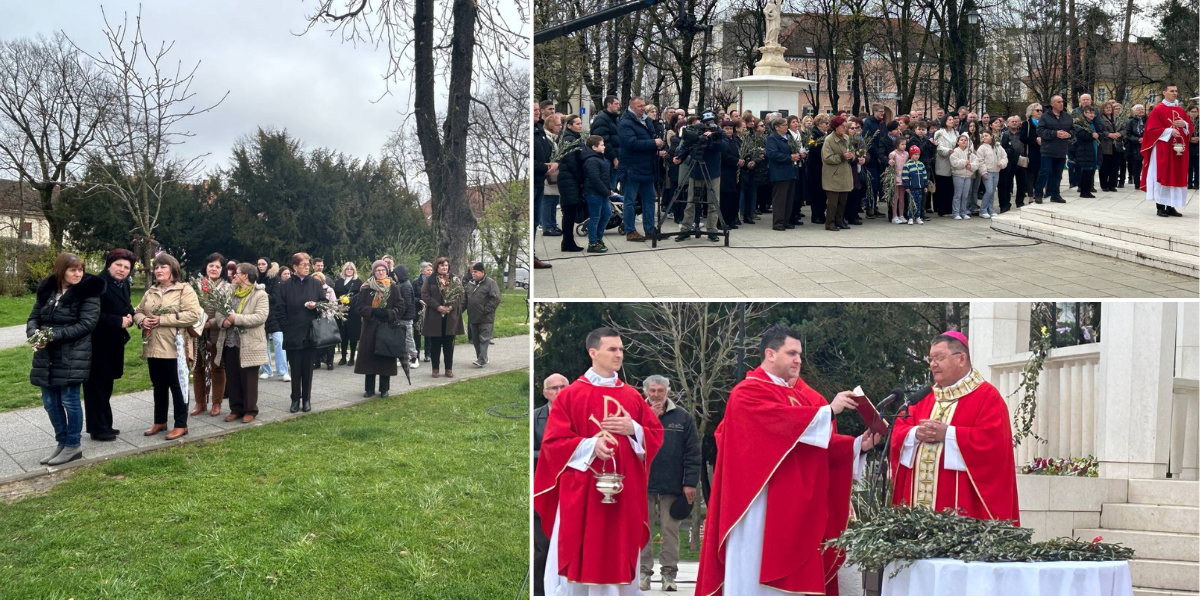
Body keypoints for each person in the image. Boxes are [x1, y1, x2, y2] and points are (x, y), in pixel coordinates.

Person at [695, 325, 879, 596]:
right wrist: (828, 410)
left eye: (800, 354)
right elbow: (779, 424)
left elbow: (815, 448)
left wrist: (857, 445)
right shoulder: (747, 393)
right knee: (753, 574)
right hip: (759, 505)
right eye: (791, 353)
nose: (798, 360)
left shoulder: (804, 397)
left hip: (795, 507)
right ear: (770, 354)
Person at [533, 327, 664, 595]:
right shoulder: (570, 395)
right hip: (581, 495)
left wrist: (634, 429)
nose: (619, 355)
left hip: (623, 494)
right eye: (612, 349)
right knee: (582, 553)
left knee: (619, 549)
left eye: (621, 349)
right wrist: (591, 445)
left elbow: (655, 436)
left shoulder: (631, 397)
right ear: (593, 352)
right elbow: (552, 444)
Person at [890, 331, 1021, 522]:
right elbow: (898, 430)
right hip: (916, 508)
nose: (933, 364)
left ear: (961, 359)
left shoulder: (987, 397)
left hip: (963, 510)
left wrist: (948, 434)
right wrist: (915, 433)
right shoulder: (923, 397)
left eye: (939, 358)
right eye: (931, 359)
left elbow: (994, 445)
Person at [28, 253, 104, 466]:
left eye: (80, 269)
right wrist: (34, 334)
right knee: (50, 403)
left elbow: (86, 325)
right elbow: (34, 317)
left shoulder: (88, 293)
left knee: (69, 401)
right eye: (73, 270)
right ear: (61, 271)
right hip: (46, 355)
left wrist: (50, 335)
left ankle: (73, 445)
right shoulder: (48, 291)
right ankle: (62, 443)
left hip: (73, 355)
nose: (78, 274)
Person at [639, 375, 701, 593]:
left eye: (661, 390)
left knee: (670, 532)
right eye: (653, 390)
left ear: (668, 391)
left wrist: (689, 483)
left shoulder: (682, 417)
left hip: (673, 485)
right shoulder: (636, 413)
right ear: (646, 391)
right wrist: (649, 418)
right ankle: (643, 574)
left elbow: (692, 453)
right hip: (642, 483)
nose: (656, 394)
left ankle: (669, 575)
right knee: (642, 531)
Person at [135, 253, 202, 441]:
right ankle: (160, 421)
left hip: (175, 347)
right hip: (152, 346)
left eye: (163, 267)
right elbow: (138, 311)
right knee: (158, 385)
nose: (158, 270)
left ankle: (181, 424)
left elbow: (193, 315)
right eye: (156, 267)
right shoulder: (151, 291)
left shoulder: (184, 290)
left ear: (173, 269)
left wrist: (162, 320)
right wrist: (142, 321)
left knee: (177, 386)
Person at [84, 249, 135, 442]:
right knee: (95, 387)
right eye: (118, 265)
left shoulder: (122, 285)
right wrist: (118, 321)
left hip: (113, 343)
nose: (122, 270)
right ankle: (97, 429)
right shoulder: (97, 284)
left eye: (126, 267)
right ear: (109, 264)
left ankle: (106, 424)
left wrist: (130, 315)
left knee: (106, 386)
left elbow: (125, 306)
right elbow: (91, 315)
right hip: (97, 343)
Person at [217, 263, 270, 423]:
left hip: (250, 343)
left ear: (245, 275)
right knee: (232, 377)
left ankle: (250, 409)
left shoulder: (260, 294)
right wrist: (223, 322)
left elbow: (260, 317)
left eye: (237, 273)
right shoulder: (230, 292)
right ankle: (236, 409)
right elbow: (220, 312)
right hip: (230, 342)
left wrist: (236, 319)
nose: (233, 275)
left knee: (248, 378)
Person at [533, 373, 569, 596]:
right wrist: (552, 453)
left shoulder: (583, 417)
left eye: (563, 387)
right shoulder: (536, 417)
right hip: (545, 490)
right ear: (545, 393)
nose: (559, 392)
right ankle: (539, 592)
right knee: (543, 548)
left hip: (573, 491)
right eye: (553, 388)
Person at [276, 252, 325, 413]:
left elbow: (324, 304)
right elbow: (280, 309)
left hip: (310, 332)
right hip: (293, 333)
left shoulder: (315, 284)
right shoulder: (285, 285)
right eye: (303, 265)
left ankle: (307, 399)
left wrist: (316, 306)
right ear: (294, 267)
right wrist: (286, 327)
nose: (306, 268)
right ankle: (295, 399)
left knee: (307, 369)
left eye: (308, 264)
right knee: (295, 369)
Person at [1140, 84, 1193, 216]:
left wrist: (1185, 125)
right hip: (1163, 149)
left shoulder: (1180, 110)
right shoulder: (1157, 110)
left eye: (1176, 91)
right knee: (1163, 175)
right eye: (1171, 91)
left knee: (1175, 176)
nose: (1175, 93)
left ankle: (1171, 206)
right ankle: (1160, 206)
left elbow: (1189, 126)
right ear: (1164, 92)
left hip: (1178, 150)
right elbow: (1150, 130)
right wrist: (1168, 131)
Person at [675, 111, 728, 242]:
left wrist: (712, 138)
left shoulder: (719, 132)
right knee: (691, 201)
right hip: (697, 170)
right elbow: (686, 145)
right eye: (706, 123)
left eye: (711, 122)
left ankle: (712, 230)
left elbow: (724, 147)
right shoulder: (696, 130)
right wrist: (679, 157)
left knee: (713, 202)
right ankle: (686, 228)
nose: (709, 126)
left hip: (713, 172)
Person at [619, 97, 664, 242]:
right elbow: (630, 143)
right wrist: (653, 143)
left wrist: (658, 144)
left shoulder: (646, 121)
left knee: (650, 199)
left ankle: (650, 230)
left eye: (644, 105)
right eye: (639, 106)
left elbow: (652, 138)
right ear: (632, 107)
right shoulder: (625, 122)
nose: (642, 108)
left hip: (647, 167)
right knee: (630, 201)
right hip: (632, 167)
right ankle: (630, 231)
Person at [354, 260, 403, 398]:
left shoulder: (393, 287)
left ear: (386, 271)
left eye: (383, 270)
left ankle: (384, 389)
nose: (380, 273)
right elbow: (359, 306)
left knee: (385, 358)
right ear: (374, 272)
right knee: (369, 357)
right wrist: (372, 311)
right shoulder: (366, 287)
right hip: (370, 327)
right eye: (377, 270)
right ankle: (369, 389)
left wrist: (388, 313)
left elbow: (400, 307)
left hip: (386, 327)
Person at [191, 253, 230, 418]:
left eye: (218, 267)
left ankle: (216, 402)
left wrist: (211, 323)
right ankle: (200, 402)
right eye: (211, 266)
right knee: (198, 367)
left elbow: (226, 311)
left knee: (218, 367)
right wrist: (198, 324)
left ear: (222, 270)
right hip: (197, 332)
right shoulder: (195, 285)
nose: (214, 269)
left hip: (216, 332)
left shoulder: (227, 287)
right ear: (206, 267)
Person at [421, 257, 464, 378]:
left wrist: (451, 307)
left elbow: (460, 295)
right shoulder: (430, 279)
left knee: (448, 345)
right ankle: (435, 369)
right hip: (435, 316)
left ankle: (448, 369)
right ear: (437, 267)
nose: (444, 268)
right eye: (442, 266)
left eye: (446, 265)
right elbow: (425, 295)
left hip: (450, 317)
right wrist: (438, 307)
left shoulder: (454, 279)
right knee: (435, 344)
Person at [557, 114, 586, 253]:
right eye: (577, 124)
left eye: (580, 123)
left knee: (570, 212)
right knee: (568, 212)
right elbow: (571, 161)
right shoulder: (569, 139)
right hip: (569, 180)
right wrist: (580, 178)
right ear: (569, 126)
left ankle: (568, 241)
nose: (580, 126)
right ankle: (567, 242)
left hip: (571, 179)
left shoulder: (574, 138)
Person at [1036, 95, 1073, 204]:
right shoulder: (1045, 117)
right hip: (1048, 150)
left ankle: (1055, 194)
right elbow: (1040, 131)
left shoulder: (1067, 117)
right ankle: (1038, 193)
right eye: (1058, 102)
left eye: (1062, 102)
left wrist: (1069, 135)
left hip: (1061, 150)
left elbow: (1074, 130)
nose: (1061, 104)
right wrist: (1055, 133)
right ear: (1052, 104)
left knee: (1058, 174)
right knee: (1045, 172)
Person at [821, 115, 856, 231]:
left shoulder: (846, 138)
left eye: (845, 126)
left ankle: (839, 221)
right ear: (835, 127)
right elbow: (826, 157)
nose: (844, 128)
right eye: (842, 126)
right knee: (833, 202)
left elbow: (852, 151)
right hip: (833, 175)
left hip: (845, 174)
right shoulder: (829, 140)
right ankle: (830, 223)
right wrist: (841, 157)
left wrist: (852, 156)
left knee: (842, 201)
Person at [464, 262, 501, 368]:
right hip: (473, 316)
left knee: (484, 339)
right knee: (475, 339)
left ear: (482, 272)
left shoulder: (490, 283)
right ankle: (481, 357)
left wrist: (486, 309)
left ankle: (482, 359)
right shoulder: (470, 284)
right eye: (472, 272)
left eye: (475, 272)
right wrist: (458, 311)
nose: (473, 274)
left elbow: (496, 298)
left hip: (486, 317)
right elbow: (466, 300)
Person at [581, 135, 613, 253]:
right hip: (594, 193)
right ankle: (593, 242)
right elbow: (595, 179)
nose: (604, 147)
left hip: (601, 192)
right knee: (595, 217)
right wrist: (606, 191)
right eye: (602, 145)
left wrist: (607, 190)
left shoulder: (599, 158)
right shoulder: (592, 160)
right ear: (594, 147)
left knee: (606, 214)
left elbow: (603, 177)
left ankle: (598, 238)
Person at [260, 263, 290, 381]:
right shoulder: (257, 278)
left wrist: (265, 295)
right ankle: (267, 370)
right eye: (259, 264)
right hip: (262, 315)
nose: (261, 266)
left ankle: (283, 372)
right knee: (263, 344)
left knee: (279, 343)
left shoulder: (276, 280)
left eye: (263, 264)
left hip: (275, 316)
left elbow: (276, 298)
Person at [390, 263, 419, 369]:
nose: (394, 276)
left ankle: (414, 357)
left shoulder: (405, 285)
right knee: (402, 339)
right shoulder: (401, 284)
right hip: (402, 316)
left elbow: (405, 303)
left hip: (405, 317)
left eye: (396, 274)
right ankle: (404, 357)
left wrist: (398, 314)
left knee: (408, 338)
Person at [333, 262, 362, 366]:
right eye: (347, 269)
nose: (349, 270)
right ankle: (343, 357)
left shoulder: (358, 282)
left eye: (351, 269)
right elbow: (335, 296)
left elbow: (360, 296)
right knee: (343, 335)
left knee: (353, 335)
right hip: (341, 311)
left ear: (354, 270)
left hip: (354, 312)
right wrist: (338, 306)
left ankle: (352, 357)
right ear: (344, 270)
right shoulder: (339, 282)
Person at [591, 95, 622, 189]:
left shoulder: (614, 119)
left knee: (612, 186)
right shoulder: (602, 119)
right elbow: (604, 141)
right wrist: (614, 157)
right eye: (616, 104)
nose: (619, 106)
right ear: (609, 104)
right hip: (607, 158)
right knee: (607, 187)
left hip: (613, 157)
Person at [310, 271, 338, 370]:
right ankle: (316, 361)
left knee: (329, 341)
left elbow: (334, 304)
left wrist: (327, 314)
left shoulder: (329, 290)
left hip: (326, 318)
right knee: (316, 340)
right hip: (314, 319)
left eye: (318, 280)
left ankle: (329, 361)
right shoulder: (309, 290)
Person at [977, 131, 1008, 217]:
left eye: (986, 135)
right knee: (989, 190)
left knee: (992, 191)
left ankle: (990, 209)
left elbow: (1004, 157)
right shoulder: (982, 148)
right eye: (983, 136)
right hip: (988, 172)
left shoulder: (998, 146)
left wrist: (1002, 164)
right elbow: (980, 161)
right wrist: (983, 172)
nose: (984, 137)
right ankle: (983, 210)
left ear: (991, 136)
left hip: (996, 171)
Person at [1073, 105, 1102, 199]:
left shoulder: (1094, 123)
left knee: (1091, 170)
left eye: (1093, 113)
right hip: (1085, 149)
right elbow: (1080, 134)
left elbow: (1100, 132)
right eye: (1090, 112)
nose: (1092, 114)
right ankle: (1084, 191)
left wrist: (1098, 135)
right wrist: (1091, 135)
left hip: (1094, 148)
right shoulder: (1080, 123)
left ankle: (1088, 190)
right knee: (1086, 170)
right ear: (1084, 113)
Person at [934, 116, 959, 215]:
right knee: (942, 186)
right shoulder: (939, 133)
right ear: (945, 121)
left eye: (953, 120)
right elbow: (938, 147)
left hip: (953, 161)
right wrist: (948, 151)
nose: (952, 121)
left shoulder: (956, 133)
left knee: (950, 186)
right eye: (949, 120)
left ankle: (949, 208)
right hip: (943, 161)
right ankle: (941, 209)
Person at [999, 116, 1025, 211]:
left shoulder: (1022, 134)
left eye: (1016, 121)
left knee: (1021, 183)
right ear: (1008, 123)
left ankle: (1020, 202)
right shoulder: (1005, 134)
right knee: (1007, 184)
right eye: (1012, 121)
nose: (1014, 123)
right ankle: (1006, 204)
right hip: (1009, 162)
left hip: (1021, 161)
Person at [949, 133, 978, 219]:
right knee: (958, 195)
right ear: (958, 142)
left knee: (965, 195)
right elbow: (954, 163)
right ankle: (956, 212)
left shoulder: (970, 152)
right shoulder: (955, 152)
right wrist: (964, 162)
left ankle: (963, 211)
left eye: (966, 140)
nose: (964, 141)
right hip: (958, 176)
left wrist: (971, 166)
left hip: (967, 176)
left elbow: (976, 162)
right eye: (961, 140)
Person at [1098, 100, 1123, 192]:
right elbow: (1100, 130)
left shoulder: (1117, 118)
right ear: (1103, 109)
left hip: (1116, 145)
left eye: (1110, 108)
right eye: (1106, 108)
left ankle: (1112, 184)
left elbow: (1124, 129)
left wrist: (1119, 134)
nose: (1109, 109)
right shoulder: (1100, 119)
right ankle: (1104, 185)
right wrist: (1108, 134)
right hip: (1106, 145)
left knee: (1115, 166)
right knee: (1105, 166)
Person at [901, 145, 928, 224]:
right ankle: (910, 217)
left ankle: (918, 217)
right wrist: (907, 187)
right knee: (911, 202)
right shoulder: (907, 165)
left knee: (918, 202)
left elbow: (924, 176)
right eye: (915, 154)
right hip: (911, 188)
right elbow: (905, 176)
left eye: (918, 154)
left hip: (919, 187)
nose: (917, 156)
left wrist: (925, 185)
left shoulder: (921, 164)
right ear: (911, 155)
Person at [413, 261, 433, 362]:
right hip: (418, 311)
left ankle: (428, 354)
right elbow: (411, 297)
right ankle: (416, 354)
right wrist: (419, 300)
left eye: (431, 270)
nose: (430, 272)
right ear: (422, 271)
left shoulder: (434, 282)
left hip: (429, 311)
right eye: (428, 270)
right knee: (417, 333)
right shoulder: (415, 282)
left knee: (428, 333)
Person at [887, 135, 909, 224]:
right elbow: (890, 165)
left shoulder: (907, 154)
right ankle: (894, 216)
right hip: (895, 177)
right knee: (895, 197)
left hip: (903, 177)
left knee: (902, 197)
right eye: (902, 144)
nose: (904, 146)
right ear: (897, 145)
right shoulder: (893, 154)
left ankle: (901, 215)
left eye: (905, 144)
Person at [1125, 104, 1147, 189]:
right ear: (1134, 112)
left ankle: (1146, 182)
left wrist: (1146, 139)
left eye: (1142, 109)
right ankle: (1137, 183)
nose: (1141, 111)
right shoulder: (1131, 121)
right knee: (1136, 166)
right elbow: (1128, 135)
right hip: (1135, 146)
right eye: (1138, 110)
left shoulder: (1148, 120)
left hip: (1147, 145)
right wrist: (1138, 139)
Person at [1189, 105, 1199, 189]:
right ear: (1189, 112)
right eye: (1192, 112)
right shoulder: (1186, 122)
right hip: (1189, 147)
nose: (1193, 113)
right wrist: (1189, 139)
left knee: (1197, 167)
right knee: (1189, 167)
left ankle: (1196, 183)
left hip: (1198, 147)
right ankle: (1189, 183)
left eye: (1195, 112)